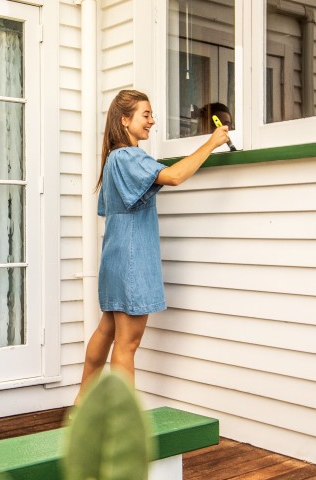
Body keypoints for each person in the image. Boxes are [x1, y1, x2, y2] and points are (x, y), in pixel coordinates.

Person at [75, 90, 230, 402]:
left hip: (115, 256)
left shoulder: (112, 160)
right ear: (124, 120)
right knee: (127, 343)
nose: (152, 121)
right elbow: (173, 176)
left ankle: (82, 403)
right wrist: (212, 143)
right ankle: (123, 419)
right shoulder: (129, 157)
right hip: (133, 259)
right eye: (145, 115)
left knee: (107, 330)